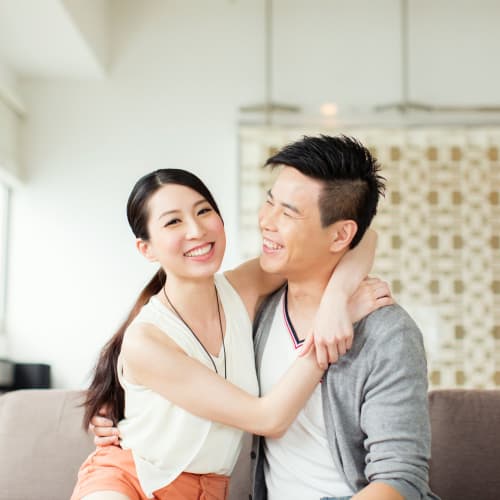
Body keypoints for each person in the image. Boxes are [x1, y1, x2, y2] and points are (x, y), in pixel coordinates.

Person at [72, 167, 389, 500]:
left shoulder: (243, 289)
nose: (196, 230)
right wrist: (328, 337)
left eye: (204, 211)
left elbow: (362, 236)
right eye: (173, 222)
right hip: (129, 481)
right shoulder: (147, 340)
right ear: (146, 249)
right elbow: (268, 419)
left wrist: (336, 303)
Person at [248, 135, 440, 500]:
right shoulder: (257, 307)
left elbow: (400, 480)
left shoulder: (388, 333)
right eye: (269, 203)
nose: (266, 222)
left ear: (340, 236)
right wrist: (110, 404)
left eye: (288, 213)